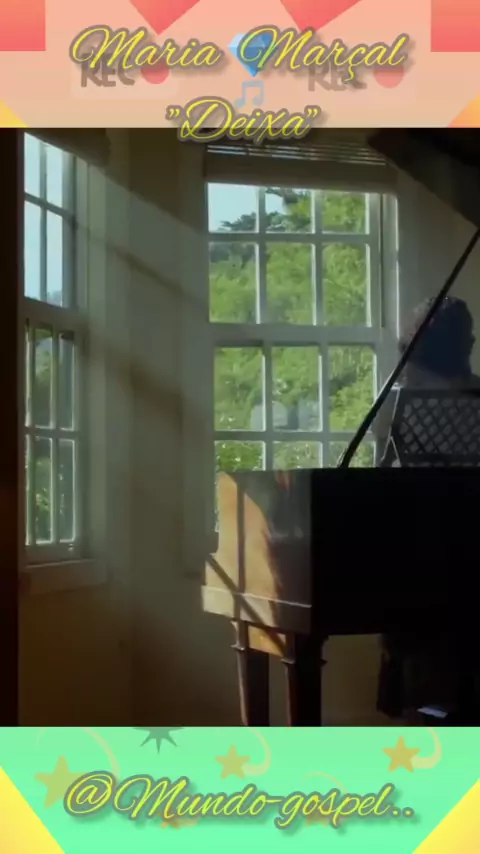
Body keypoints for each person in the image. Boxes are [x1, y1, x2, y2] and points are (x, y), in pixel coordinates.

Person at [374, 296, 480, 719]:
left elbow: (381, 475)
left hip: (422, 551)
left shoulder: (395, 401)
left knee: (427, 662)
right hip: (460, 550)